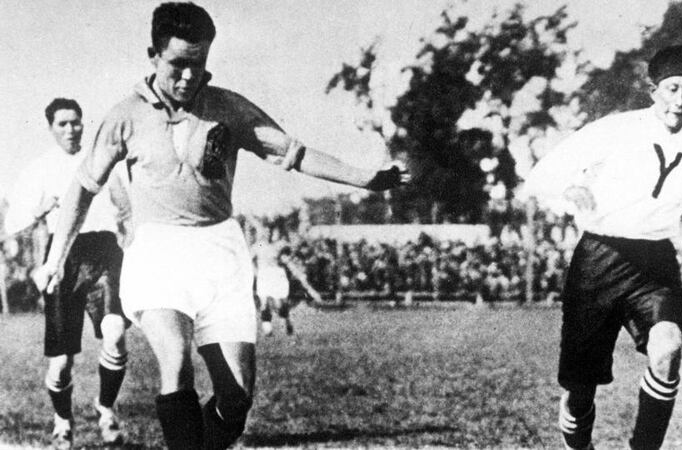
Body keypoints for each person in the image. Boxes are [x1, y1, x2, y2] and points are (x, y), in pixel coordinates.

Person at [35, 3, 407, 449]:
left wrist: (365, 179)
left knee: (236, 397)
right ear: (152, 55)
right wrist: (57, 256)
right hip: (158, 253)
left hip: (220, 253)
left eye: (199, 64)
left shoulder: (227, 108)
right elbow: (82, 187)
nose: (189, 76)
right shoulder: (125, 116)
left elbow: (296, 153)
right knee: (176, 363)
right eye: (177, 64)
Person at [523, 45, 682, 450]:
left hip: (655, 265)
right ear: (652, 90)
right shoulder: (614, 130)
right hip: (597, 261)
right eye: (673, 88)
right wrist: (568, 191)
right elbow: (540, 177)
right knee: (580, 389)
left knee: (668, 349)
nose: (680, 100)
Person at [6, 98, 132, 449]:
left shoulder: (101, 162)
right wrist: (39, 209)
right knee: (61, 362)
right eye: (62, 124)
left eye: (75, 122)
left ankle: (105, 410)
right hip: (63, 259)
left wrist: (130, 239)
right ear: (50, 128)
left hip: (104, 251)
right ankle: (62, 420)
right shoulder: (39, 169)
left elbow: (126, 209)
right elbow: (12, 223)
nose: (71, 129)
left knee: (115, 331)